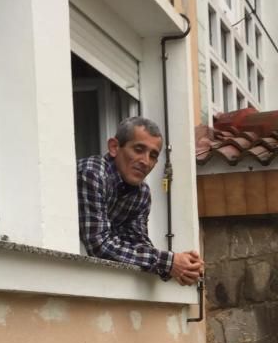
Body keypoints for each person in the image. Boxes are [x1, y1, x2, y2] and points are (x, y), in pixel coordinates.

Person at [77, 116, 203, 285]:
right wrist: (170, 262)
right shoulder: (93, 174)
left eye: (153, 155)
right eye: (138, 149)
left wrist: (185, 267)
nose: (145, 161)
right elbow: (99, 245)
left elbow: (137, 242)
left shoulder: (142, 193)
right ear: (114, 147)